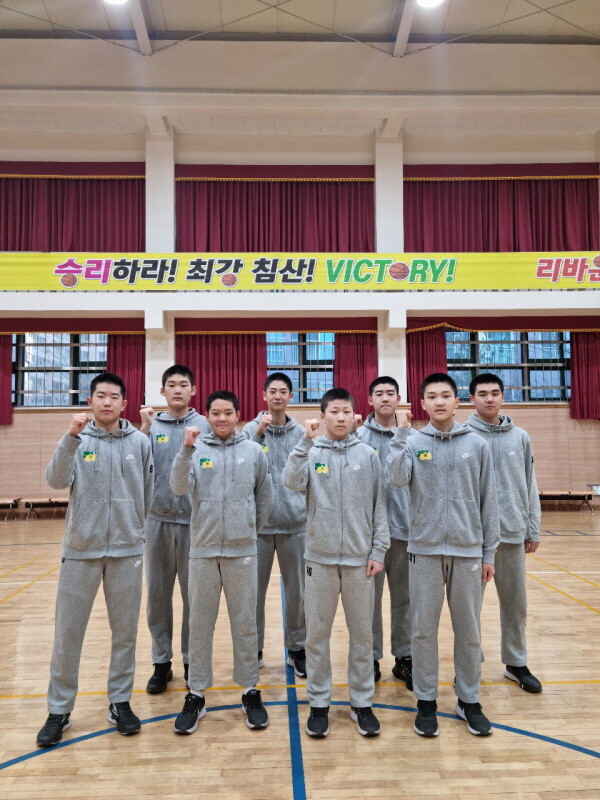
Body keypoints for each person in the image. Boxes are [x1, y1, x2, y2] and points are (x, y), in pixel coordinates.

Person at [36, 373, 154, 747]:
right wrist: (70, 437)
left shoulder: (140, 442)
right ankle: (59, 710)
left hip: (127, 552)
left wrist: (133, 529)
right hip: (80, 551)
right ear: (90, 401)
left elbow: (148, 492)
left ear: (124, 404)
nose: (106, 402)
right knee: (68, 635)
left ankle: (120, 702)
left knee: (125, 634)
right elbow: (55, 481)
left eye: (114, 397)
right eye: (100, 396)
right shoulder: (78, 440)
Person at [387, 373, 500, 738]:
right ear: (422, 404)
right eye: (432, 396)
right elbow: (396, 478)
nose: (439, 401)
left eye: (446, 395)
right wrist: (400, 433)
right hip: (424, 550)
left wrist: (489, 553)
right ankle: (426, 700)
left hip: (468, 552)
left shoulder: (477, 444)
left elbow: (489, 500)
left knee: (469, 631)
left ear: (457, 402)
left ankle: (469, 699)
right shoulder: (413, 441)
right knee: (422, 630)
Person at [283, 388, 390, 738]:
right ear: (323, 416)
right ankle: (318, 703)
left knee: (362, 636)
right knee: (316, 637)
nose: (340, 417)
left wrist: (378, 550)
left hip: (361, 562)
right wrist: (305, 441)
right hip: (320, 560)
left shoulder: (368, 455)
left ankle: (362, 702)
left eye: (346, 411)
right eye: (334, 411)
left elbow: (379, 506)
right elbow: (290, 481)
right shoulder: (312, 452)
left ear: (354, 415)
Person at [170, 390, 273, 734]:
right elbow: (178, 487)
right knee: (200, 623)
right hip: (203, 550)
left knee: (245, 623)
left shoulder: (253, 451)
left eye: (228, 412)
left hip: (243, 552)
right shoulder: (195, 449)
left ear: (238, 415)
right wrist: (185, 450)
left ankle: (250, 689)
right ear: (207, 416)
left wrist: (247, 532)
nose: (222, 418)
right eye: (215, 413)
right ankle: (196, 693)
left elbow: (265, 498)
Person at [467, 373, 542, 693]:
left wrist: (532, 528)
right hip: (473, 539)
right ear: (471, 399)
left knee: (515, 604)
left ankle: (516, 661)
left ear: (502, 396)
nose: (489, 398)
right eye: (482, 393)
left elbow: (529, 482)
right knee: (469, 607)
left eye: (495, 393)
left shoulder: (520, 437)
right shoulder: (463, 435)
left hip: (511, 534)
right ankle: (470, 663)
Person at [140, 365, 210, 694]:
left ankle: (191, 661)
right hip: (157, 522)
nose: (178, 390)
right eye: (172, 385)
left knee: (193, 598)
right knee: (157, 597)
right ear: (162, 391)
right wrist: (143, 429)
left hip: (195, 525)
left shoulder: (205, 425)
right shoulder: (152, 427)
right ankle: (161, 663)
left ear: (193, 390)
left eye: (184, 385)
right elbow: (138, 467)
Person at [242, 372, 307, 677]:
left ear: (291, 397)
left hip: (295, 526)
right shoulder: (250, 430)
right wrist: (258, 433)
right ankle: (253, 649)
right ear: (264, 396)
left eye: (283, 391)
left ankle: (297, 648)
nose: (278, 396)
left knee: (298, 594)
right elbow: (242, 469)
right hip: (260, 528)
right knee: (253, 593)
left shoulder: (301, 433)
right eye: (273, 391)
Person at [356, 376, 413, 689]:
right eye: (379, 393)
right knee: (369, 602)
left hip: (405, 533)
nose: (385, 398)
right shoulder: (358, 436)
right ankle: (371, 657)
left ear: (399, 398)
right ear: (370, 400)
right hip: (368, 537)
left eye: (391, 393)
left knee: (406, 600)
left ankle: (405, 658)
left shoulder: (412, 436)